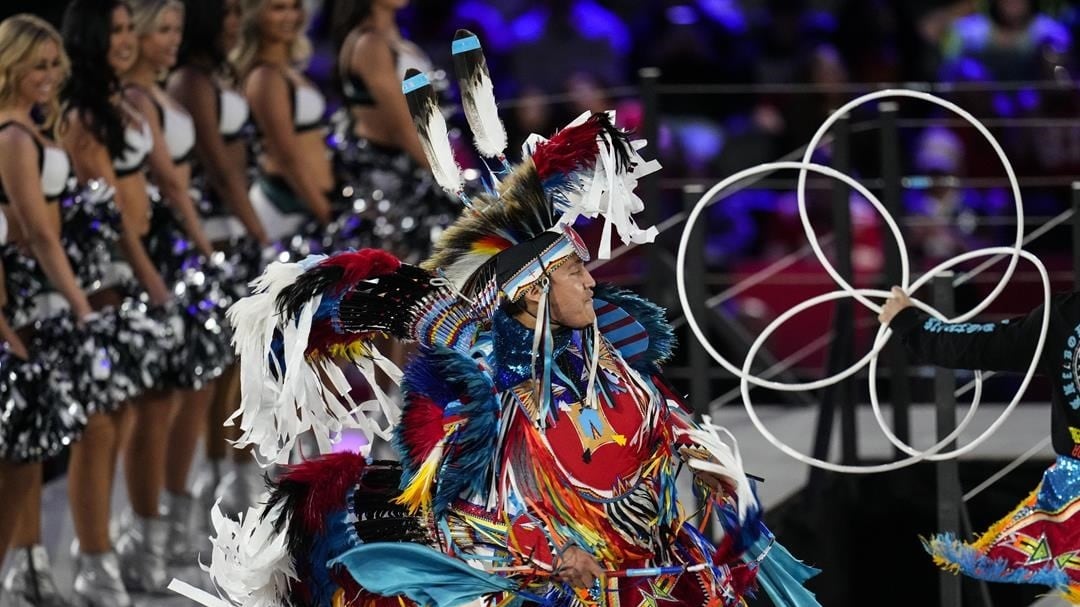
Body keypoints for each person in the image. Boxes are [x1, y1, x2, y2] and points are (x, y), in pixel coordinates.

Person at [184, 35, 821, 607]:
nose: (592, 281)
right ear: (535, 294)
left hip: (647, 573)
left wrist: (708, 472)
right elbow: (454, 522)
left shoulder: (609, 360)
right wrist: (552, 560)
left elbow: (669, 433)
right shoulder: (488, 394)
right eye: (575, 272)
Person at [61, 0, 177, 599]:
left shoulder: (120, 103)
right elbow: (108, 213)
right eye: (114, 31)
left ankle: (124, 542)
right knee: (101, 423)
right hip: (106, 274)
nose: (125, 40)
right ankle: (93, 560)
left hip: (139, 268)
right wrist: (151, 278)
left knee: (130, 411)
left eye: (130, 28)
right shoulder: (82, 114)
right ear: (88, 39)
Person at [879, 285, 1080, 601]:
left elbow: (980, 344)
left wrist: (909, 324)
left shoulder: (1066, 316)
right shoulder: (1062, 317)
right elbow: (982, 344)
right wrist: (910, 324)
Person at [166, 0, 266, 552]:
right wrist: (260, 230)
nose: (235, 21)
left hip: (235, 233)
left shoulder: (220, 74)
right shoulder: (190, 80)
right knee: (204, 375)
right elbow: (218, 165)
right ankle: (188, 498)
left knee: (236, 363)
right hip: (208, 237)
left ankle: (228, 475)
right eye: (225, 13)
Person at [0, 15, 90, 606]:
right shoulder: (11, 136)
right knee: (24, 443)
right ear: (9, 66)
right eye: (38, 64)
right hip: (28, 296)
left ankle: (28, 564)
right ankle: (24, 566)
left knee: (35, 441)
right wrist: (82, 305)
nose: (51, 76)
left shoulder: (31, 129)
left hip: (47, 292)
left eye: (56, 64)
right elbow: (36, 232)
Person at [329, 0, 457, 263]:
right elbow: (403, 128)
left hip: (423, 172)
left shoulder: (396, 38)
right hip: (392, 191)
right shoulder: (368, 43)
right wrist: (454, 179)